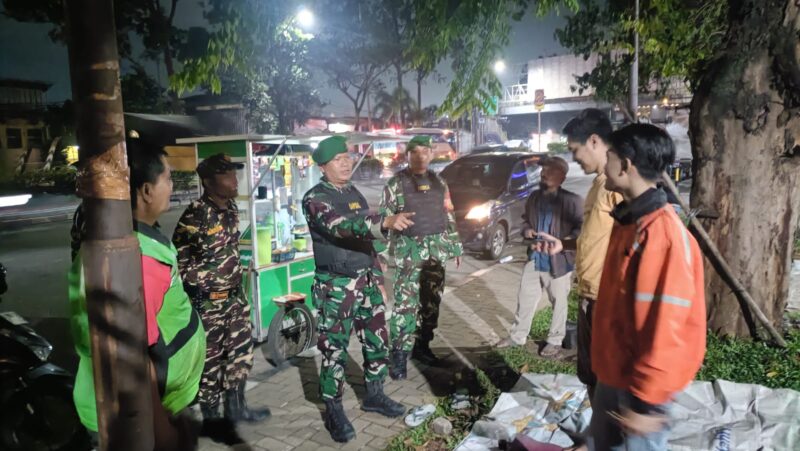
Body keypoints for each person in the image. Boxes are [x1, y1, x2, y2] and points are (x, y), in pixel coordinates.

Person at [68, 137, 206, 450]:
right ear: (146, 190)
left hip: (151, 403)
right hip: (144, 414)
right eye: (167, 179)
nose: (171, 186)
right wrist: (160, 428)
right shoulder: (138, 256)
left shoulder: (132, 238)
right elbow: (132, 355)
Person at [588, 123, 706, 450]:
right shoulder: (630, 221)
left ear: (625, 165)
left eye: (609, 157)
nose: (604, 164)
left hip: (639, 389)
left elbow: (667, 327)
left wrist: (646, 404)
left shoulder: (661, 236)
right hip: (616, 373)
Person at [302, 136, 414, 443]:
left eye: (347, 157)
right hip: (337, 285)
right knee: (334, 350)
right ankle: (333, 409)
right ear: (323, 167)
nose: (346, 163)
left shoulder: (352, 192)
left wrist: (378, 274)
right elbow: (341, 227)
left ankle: (374, 395)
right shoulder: (315, 198)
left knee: (377, 340)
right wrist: (385, 222)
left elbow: (365, 237)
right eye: (338, 160)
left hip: (366, 281)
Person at [172, 153, 270, 426]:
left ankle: (237, 408)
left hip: (235, 300)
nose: (234, 179)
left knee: (241, 354)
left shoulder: (231, 209)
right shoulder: (195, 215)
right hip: (209, 305)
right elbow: (178, 262)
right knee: (211, 361)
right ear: (207, 181)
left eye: (234, 173)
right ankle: (212, 418)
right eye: (226, 174)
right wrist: (207, 283)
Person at [380, 135, 463, 376]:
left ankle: (422, 346)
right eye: (414, 152)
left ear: (431, 154)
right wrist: (382, 256)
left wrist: (455, 246)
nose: (420, 156)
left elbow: (448, 214)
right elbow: (385, 221)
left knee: (431, 303)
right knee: (405, 306)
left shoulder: (440, 182)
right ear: (407, 155)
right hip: (409, 254)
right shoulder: (395, 184)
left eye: (425, 151)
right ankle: (398, 356)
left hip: (436, 253)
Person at [556, 108, 624, 399]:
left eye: (575, 150)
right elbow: (597, 236)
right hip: (590, 294)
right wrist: (564, 244)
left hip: (607, 300)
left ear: (594, 141)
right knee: (591, 374)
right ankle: (598, 424)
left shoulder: (616, 185)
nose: (574, 158)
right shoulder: (599, 184)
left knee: (608, 379)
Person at [496, 156, 583, 355]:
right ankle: (517, 336)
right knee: (525, 298)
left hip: (558, 261)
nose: (544, 174)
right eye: (543, 170)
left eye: (550, 171)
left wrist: (565, 241)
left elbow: (582, 229)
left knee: (559, 302)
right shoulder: (534, 197)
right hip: (535, 257)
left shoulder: (572, 201)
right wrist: (527, 230)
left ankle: (555, 340)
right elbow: (525, 220)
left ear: (562, 177)